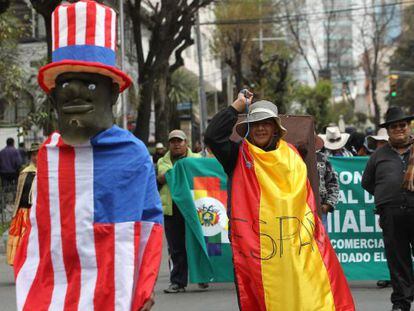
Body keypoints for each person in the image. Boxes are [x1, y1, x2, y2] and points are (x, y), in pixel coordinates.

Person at [14, 2, 163, 311]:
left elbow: (149, 223)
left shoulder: (133, 155)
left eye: (91, 82)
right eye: (66, 83)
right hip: (55, 294)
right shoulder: (49, 154)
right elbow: (39, 231)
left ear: (113, 92)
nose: (76, 92)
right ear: (54, 96)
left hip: (114, 291)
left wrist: (144, 286)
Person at [204, 91, 354, 310]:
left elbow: (306, 201)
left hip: (293, 245)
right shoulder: (237, 155)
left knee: (302, 294)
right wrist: (237, 106)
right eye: (255, 124)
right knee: (258, 299)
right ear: (248, 128)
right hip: (254, 248)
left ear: (275, 128)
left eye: (267, 123)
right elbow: (212, 137)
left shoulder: (293, 156)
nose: (261, 128)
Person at [362, 107, 414, 311]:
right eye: (394, 126)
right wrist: (386, 195)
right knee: (398, 260)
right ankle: (401, 303)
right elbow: (367, 182)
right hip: (391, 214)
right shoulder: (378, 155)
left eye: (403, 125)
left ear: (408, 126)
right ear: (388, 130)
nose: (399, 129)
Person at [157, 129, 202, 293]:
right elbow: (163, 176)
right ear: (169, 144)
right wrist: (182, 169)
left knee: (198, 243)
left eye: (179, 141)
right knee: (176, 248)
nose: (176, 144)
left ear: (186, 143)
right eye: (173, 141)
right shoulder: (163, 161)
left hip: (194, 210)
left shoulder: (198, 159)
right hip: (172, 211)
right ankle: (178, 282)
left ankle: (203, 277)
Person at [6, 143, 39, 266]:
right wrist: (15, 213)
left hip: (39, 213)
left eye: (38, 154)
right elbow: (19, 195)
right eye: (34, 154)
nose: (36, 157)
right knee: (23, 240)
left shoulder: (47, 172)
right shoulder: (25, 173)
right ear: (30, 156)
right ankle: (22, 265)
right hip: (24, 212)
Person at [315, 135, 339, 230]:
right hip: (298, 208)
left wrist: (329, 203)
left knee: (321, 240)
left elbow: (333, 182)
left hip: (320, 207)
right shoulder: (293, 157)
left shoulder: (322, 158)